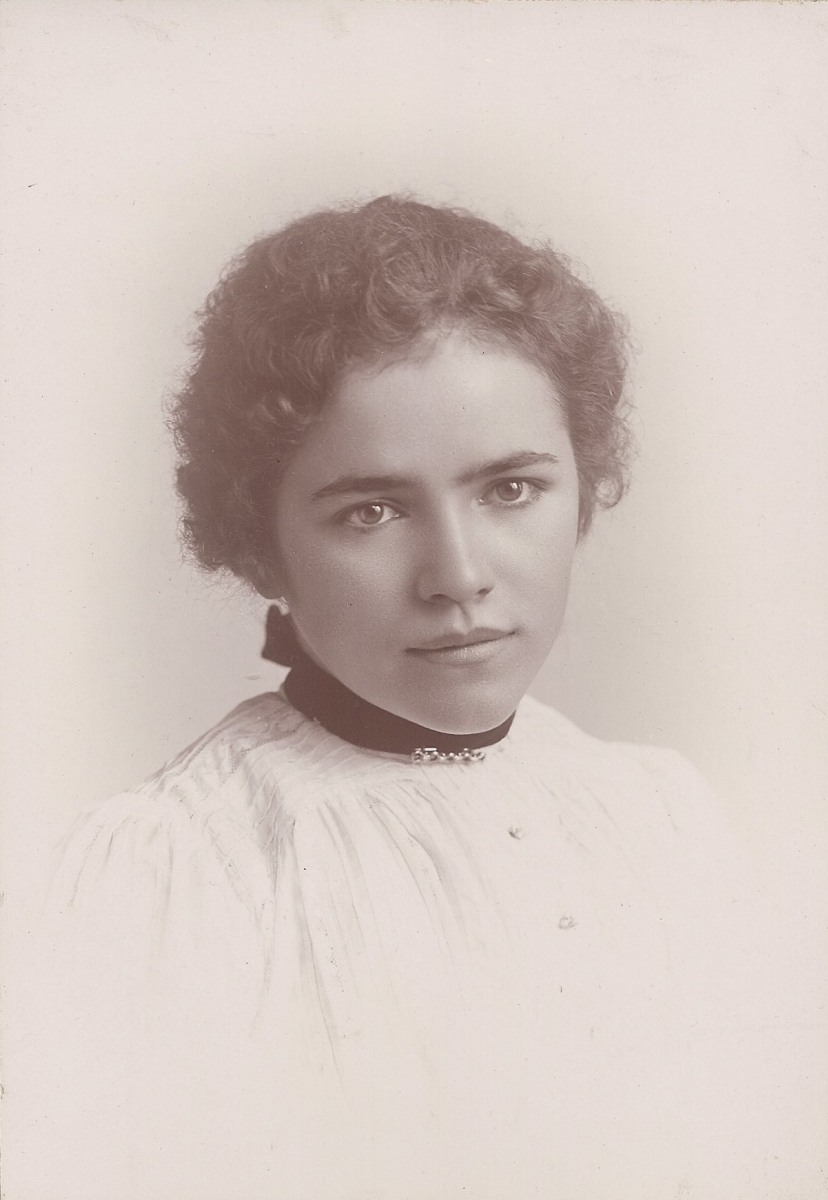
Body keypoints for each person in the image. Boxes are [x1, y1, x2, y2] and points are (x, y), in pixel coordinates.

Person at [6, 196, 821, 1200]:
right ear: (262, 542)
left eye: (511, 490)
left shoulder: (660, 814)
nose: (458, 574)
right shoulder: (181, 875)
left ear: (583, 485)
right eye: (372, 510)